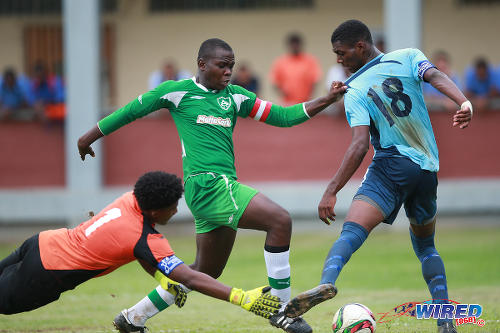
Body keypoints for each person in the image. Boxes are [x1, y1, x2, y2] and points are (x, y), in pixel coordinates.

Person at [77, 38, 347, 333]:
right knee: (279, 220)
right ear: (202, 64)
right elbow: (130, 111)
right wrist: (87, 137)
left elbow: (283, 117)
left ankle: (133, 317)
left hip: (221, 187)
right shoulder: (177, 91)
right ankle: (284, 311)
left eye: (231, 66)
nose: (229, 71)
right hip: (206, 185)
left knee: (205, 271)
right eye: (222, 65)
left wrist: (326, 100)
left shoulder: (235, 97)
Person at [283, 20, 472, 333]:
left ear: (360, 46)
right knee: (426, 248)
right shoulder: (409, 56)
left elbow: (359, 146)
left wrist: (331, 190)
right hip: (426, 170)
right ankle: (445, 321)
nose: (338, 60)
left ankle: (326, 283)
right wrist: (463, 102)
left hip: (391, 166)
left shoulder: (355, 90)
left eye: (341, 53)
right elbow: (435, 75)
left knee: (351, 232)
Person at [0, 171, 280, 331]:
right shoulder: (146, 237)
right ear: (157, 210)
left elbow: (136, 252)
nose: (177, 209)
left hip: (41, 242)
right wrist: (241, 297)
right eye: (173, 206)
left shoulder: (129, 199)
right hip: (45, 273)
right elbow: (191, 278)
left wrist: (161, 278)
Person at [269, 33, 322, 105]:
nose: (294, 47)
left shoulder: (310, 61)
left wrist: (310, 97)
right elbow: (274, 82)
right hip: (287, 103)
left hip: (305, 103)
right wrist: (282, 93)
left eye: (297, 44)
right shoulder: (280, 62)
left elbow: (315, 81)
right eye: (292, 44)